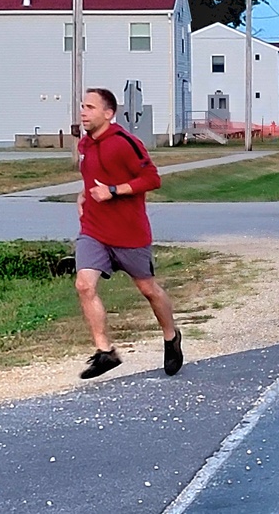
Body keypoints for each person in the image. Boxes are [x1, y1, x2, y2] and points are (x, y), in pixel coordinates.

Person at [74, 88, 183, 379]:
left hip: (129, 233)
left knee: (149, 290)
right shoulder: (84, 145)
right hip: (94, 230)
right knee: (84, 285)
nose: (83, 112)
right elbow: (91, 179)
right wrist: (83, 196)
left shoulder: (124, 143)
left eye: (90, 107)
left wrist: (113, 191)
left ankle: (171, 336)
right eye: (82, 106)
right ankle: (105, 352)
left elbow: (152, 178)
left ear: (108, 114)